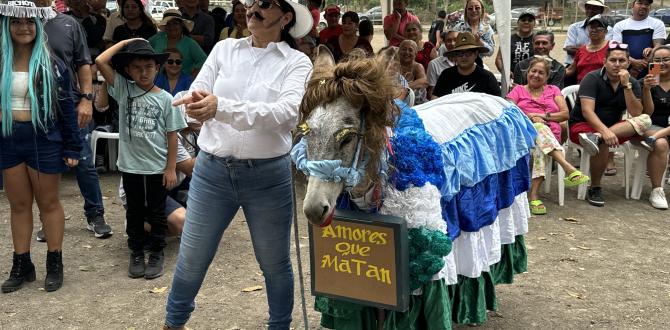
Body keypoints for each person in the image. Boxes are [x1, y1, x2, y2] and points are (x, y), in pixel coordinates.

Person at [163, 0, 313, 328]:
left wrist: (220, 108)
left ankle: (280, 325)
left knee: (274, 265)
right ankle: (172, 324)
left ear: (286, 17)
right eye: (253, 2)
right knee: (190, 260)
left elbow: (287, 115)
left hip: (268, 177)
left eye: (266, 4)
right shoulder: (224, 49)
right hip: (211, 172)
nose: (254, 8)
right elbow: (199, 92)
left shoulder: (297, 62)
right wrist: (193, 105)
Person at [0, 0, 82, 293]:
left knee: (48, 202)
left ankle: (54, 263)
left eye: (28, 22)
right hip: (8, 139)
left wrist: (73, 147)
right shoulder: (0, 62)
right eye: (16, 22)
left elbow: (67, 107)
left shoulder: (51, 62)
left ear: (37, 26)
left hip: (43, 139)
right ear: (7, 26)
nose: (23, 27)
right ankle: (22, 264)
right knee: (19, 205)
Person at [96, 39, 187, 279]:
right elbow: (100, 61)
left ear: (158, 68)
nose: (143, 72)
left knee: (157, 211)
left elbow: (172, 136)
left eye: (149, 66)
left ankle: (157, 252)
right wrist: (128, 42)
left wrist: (170, 169)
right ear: (128, 70)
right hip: (131, 166)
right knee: (134, 211)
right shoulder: (125, 90)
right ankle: (136, 251)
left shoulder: (167, 99)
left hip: (157, 166)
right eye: (137, 67)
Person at [35, 0, 113, 240]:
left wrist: (87, 100)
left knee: (84, 162)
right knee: (41, 167)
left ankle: (95, 214)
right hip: (34, 109)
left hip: (69, 104)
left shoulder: (69, 24)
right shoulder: (18, 23)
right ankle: (47, 220)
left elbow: (83, 64)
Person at [569, 42, 652, 207]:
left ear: (628, 63)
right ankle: (595, 187)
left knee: (645, 120)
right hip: (583, 126)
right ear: (604, 62)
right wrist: (605, 132)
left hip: (612, 128)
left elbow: (637, 113)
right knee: (604, 141)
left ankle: (597, 137)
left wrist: (626, 86)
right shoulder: (592, 78)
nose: (617, 64)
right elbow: (587, 111)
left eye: (622, 61)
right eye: (613, 60)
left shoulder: (632, 82)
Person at [506, 57, 590, 215]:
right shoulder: (518, 90)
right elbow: (508, 112)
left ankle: (534, 195)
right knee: (537, 129)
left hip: (550, 134)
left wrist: (543, 116)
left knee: (540, 145)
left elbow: (565, 114)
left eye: (541, 73)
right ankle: (567, 168)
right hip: (524, 135)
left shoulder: (553, 90)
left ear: (547, 77)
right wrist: (530, 117)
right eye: (533, 71)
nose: (536, 75)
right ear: (528, 73)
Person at [638, 45, 670, 209]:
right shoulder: (644, 83)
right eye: (657, 60)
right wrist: (647, 90)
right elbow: (645, 114)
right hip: (651, 125)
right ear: (651, 63)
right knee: (661, 143)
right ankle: (657, 190)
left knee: (661, 139)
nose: (662, 63)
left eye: (666, 59)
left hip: (665, 129)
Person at [432, 32, 500, 98]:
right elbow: (435, 98)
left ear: (476, 54)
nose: (464, 57)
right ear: (455, 55)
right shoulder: (446, 75)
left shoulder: (487, 77)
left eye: (468, 53)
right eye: (460, 53)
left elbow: (497, 103)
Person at [612, 0, 666, 78]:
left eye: (646, 4)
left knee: (654, 85)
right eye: (640, 3)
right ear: (632, 5)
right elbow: (617, 49)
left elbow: (658, 47)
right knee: (626, 87)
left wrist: (642, 65)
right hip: (626, 67)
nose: (643, 6)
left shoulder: (658, 24)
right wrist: (633, 62)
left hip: (653, 66)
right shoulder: (620, 25)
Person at [149, 9, 207, 77]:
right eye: (168, 24)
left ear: (181, 25)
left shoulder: (189, 43)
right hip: (157, 82)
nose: (171, 27)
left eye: (175, 23)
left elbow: (204, 60)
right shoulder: (158, 37)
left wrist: (191, 78)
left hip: (181, 85)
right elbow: (144, 49)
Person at [563, 0, 611, 73]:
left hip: (598, 68)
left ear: (601, 10)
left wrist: (582, 50)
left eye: (595, 8)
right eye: (588, 7)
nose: (591, 10)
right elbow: (569, 49)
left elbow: (606, 51)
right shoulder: (574, 27)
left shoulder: (608, 29)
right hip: (573, 67)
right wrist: (593, 50)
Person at [566, 15, 610, 83]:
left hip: (603, 88)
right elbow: (571, 70)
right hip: (581, 88)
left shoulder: (612, 47)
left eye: (598, 27)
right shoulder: (582, 50)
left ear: (605, 31)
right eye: (592, 27)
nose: (594, 30)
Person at [495, 10, 535, 76]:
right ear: (518, 23)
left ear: (534, 24)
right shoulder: (508, 39)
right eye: (523, 20)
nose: (526, 22)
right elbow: (499, 59)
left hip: (532, 78)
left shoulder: (537, 40)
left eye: (530, 20)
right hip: (511, 79)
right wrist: (505, 72)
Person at [427, 30, 458, 99]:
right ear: (444, 43)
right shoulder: (434, 64)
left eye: (456, 40)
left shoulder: (468, 64)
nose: (452, 43)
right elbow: (431, 92)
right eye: (449, 40)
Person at [398, 40, 428, 105]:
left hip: (415, 103)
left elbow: (424, 81)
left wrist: (405, 87)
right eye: (404, 49)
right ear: (399, 52)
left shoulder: (417, 66)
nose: (407, 52)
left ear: (416, 54)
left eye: (410, 50)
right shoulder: (394, 65)